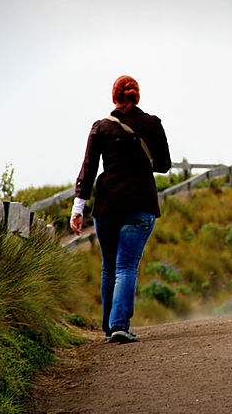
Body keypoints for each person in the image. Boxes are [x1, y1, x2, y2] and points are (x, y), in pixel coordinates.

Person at [70, 75, 171, 343]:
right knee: (127, 266)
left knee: (109, 267)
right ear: (137, 97)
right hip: (141, 203)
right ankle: (119, 326)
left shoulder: (101, 128)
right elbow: (163, 164)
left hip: (108, 205)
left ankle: (109, 327)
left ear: (114, 98)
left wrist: (77, 209)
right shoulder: (152, 124)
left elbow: (88, 169)